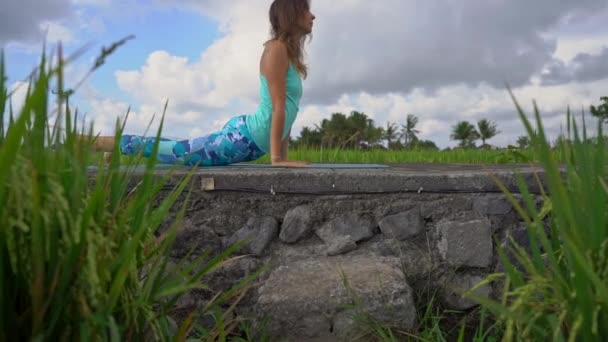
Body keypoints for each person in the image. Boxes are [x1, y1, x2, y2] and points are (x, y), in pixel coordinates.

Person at [90, 0, 315, 168]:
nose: (312, 15)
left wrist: (283, 158)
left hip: (252, 140)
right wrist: (277, 160)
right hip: (244, 139)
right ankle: (104, 143)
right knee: (180, 152)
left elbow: (288, 111)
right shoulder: (276, 48)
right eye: (306, 9)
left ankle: (118, 148)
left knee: (184, 147)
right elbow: (277, 108)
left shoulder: (290, 56)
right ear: (291, 14)